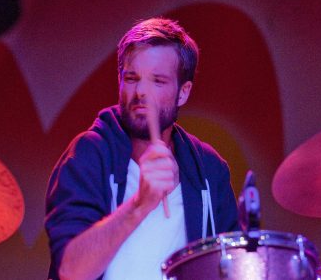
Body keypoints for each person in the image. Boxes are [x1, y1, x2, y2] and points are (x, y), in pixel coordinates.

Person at [44, 17, 239, 280]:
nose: (141, 93)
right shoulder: (89, 154)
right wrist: (139, 204)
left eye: (157, 81)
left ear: (183, 92)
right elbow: (71, 270)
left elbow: (231, 270)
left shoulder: (208, 169)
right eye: (132, 78)